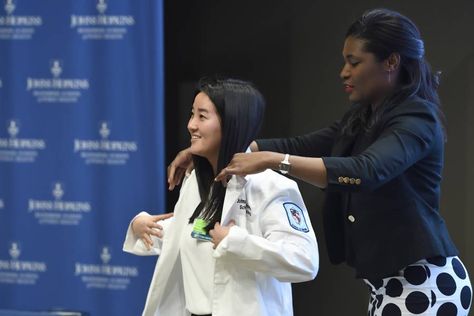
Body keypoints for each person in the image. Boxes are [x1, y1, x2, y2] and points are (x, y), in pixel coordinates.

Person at [168, 9, 472, 316]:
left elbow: (367, 171)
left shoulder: (417, 119)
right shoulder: (362, 118)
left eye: (355, 62)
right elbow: (300, 145)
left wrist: (276, 161)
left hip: (426, 286)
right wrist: (217, 149)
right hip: (386, 287)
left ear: (391, 62)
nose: (343, 72)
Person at [123, 77, 319, 316]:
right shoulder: (195, 180)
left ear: (231, 123)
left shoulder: (270, 186)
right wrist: (144, 226)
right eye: (191, 114)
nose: (191, 125)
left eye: (202, 117)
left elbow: (304, 261)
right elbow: (196, 231)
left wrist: (236, 242)